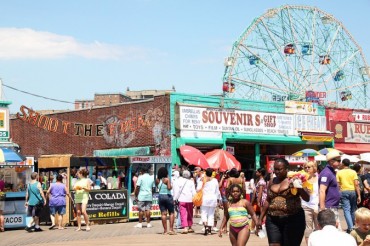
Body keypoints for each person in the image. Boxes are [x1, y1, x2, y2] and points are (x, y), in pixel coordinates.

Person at [257, 158, 309, 245]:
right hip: (273, 219)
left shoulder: (294, 179)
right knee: (274, 244)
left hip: (293, 219)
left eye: (279, 169)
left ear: (286, 169)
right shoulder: (271, 181)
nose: (276, 172)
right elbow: (268, 200)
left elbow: (307, 198)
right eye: (275, 169)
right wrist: (260, 218)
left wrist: (299, 186)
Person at [319, 149, 342, 230]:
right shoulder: (326, 173)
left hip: (332, 206)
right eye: (338, 160)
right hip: (329, 207)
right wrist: (322, 208)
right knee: (336, 232)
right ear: (331, 161)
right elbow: (322, 190)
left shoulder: (331, 172)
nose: (340, 162)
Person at [337, 158, 361, 232]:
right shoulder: (353, 172)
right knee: (353, 209)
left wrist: (339, 191)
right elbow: (356, 184)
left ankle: (351, 228)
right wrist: (359, 195)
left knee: (346, 210)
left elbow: (338, 184)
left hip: (344, 191)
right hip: (352, 191)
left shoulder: (339, 172)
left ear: (343, 164)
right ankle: (353, 225)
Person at [197, 167, 221, 235]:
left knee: (204, 213)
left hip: (205, 198)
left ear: (205, 173)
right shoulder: (215, 180)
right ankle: (210, 229)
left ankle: (206, 226)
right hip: (213, 199)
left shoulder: (202, 180)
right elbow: (217, 191)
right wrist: (218, 199)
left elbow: (198, 189)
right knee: (211, 214)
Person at [302, 160, 320, 244]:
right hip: (305, 205)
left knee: (319, 227)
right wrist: (304, 190)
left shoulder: (319, 178)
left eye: (309, 167)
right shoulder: (302, 179)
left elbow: (321, 192)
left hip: (317, 206)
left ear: (314, 168)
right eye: (305, 167)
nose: (307, 169)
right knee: (308, 227)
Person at [173, 170, 196, 234]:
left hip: (181, 200)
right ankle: (190, 227)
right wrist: (195, 200)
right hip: (190, 200)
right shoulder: (191, 182)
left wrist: (175, 199)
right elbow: (193, 192)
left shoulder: (179, 181)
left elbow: (177, 191)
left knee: (183, 214)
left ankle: (185, 228)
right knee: (190, 214)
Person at [156, 167, 175, 235]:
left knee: (163, 213)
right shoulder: (167, 179)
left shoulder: (157, 180)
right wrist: (171, 186)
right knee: (171, 213)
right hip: (168, 196)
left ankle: (165, 231)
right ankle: (171, 229)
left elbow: (157, 187)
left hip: (160, 196)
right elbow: (169, 188)